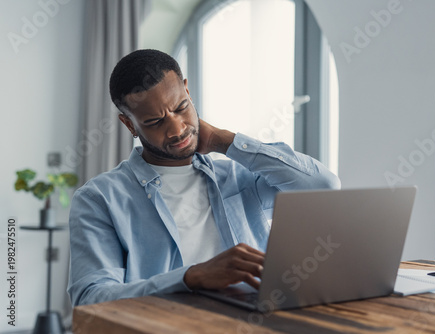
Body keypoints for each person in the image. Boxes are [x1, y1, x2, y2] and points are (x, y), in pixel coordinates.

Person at [67, 49, 341, 306]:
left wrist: (225, 141)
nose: (176, 130)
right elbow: (91, 297)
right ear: (129, 124)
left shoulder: (236, 177)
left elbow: (322, 186)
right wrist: (190, 277)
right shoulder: (99, 199)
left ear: (187, 90)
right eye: (154, 122)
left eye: (181, 107)